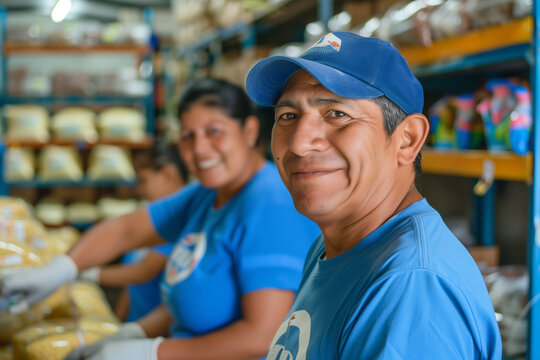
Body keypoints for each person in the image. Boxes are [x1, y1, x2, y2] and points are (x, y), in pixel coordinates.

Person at [0, 78, 320, 360]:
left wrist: (151, 353)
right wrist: (61, 270)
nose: (200, 149)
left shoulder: (269, 204)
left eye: (214, 132)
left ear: (249, 130)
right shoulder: (208, 195)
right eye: (187, 136)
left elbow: (262, 337)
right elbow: (127, 230)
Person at [245, 32, 502, 359]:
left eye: (337, 114)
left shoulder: (412, 287)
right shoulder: (334, 246)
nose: (299, 142)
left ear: (407, 140)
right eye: (288, 116)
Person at [79, 139, 189, 322]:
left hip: (157, 334)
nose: (140, 190)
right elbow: (130, 288)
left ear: (168, 173)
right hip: (136, 327)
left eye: (144, 181)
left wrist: (85, 273)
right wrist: (118, 325)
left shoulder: (182, 220)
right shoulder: (152, 220)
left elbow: (142, 272)